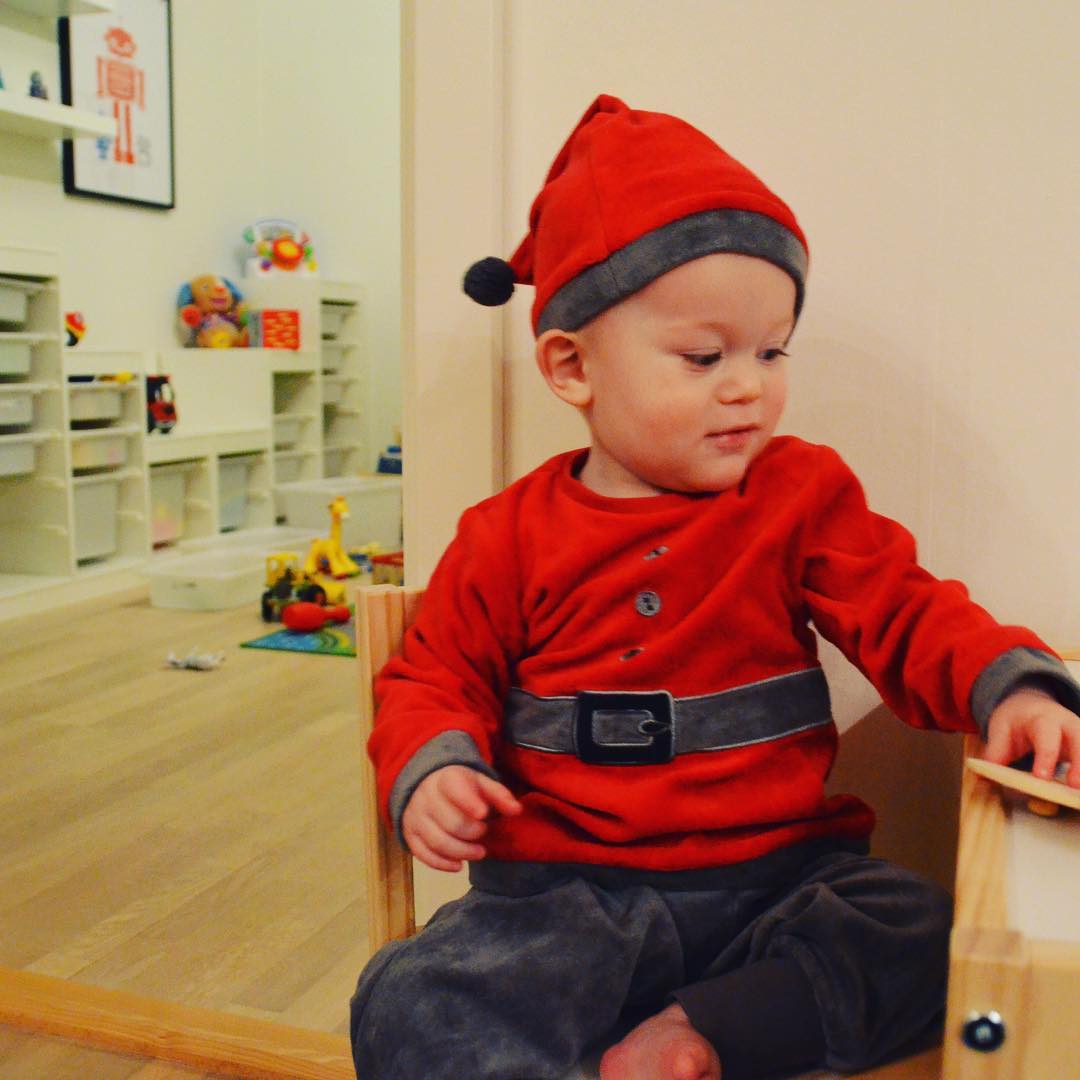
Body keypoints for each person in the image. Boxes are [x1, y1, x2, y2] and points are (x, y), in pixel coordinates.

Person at [350, 94, 1080, 1080]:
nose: (749, 386)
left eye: (772, 351)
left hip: (777, 884)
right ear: (571, 366)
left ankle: (698, 1034)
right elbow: (433, 677)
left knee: (928, 934)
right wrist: (433, 770)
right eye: (705, 357)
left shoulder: (800, 496)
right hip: (565, 902)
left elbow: (906, 610)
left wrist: (1010, 685)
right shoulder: (504, 537)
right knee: (414, 1003)